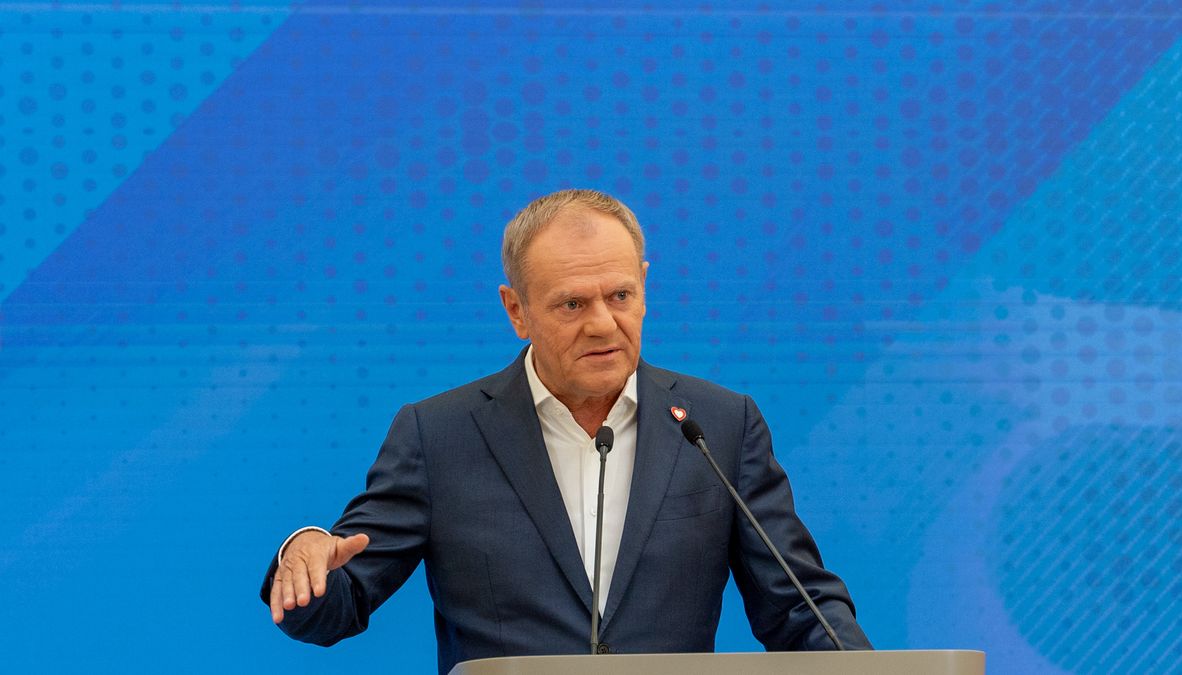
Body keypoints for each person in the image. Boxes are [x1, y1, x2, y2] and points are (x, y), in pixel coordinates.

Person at [262, 189, 871, 674]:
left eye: (621, 295)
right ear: (516, 310)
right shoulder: (438, 434)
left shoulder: (718, 425)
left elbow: (798, 605)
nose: (604, 323)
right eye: (572, 304)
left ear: (645, 286)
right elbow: (335, 609)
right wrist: (305, 561)